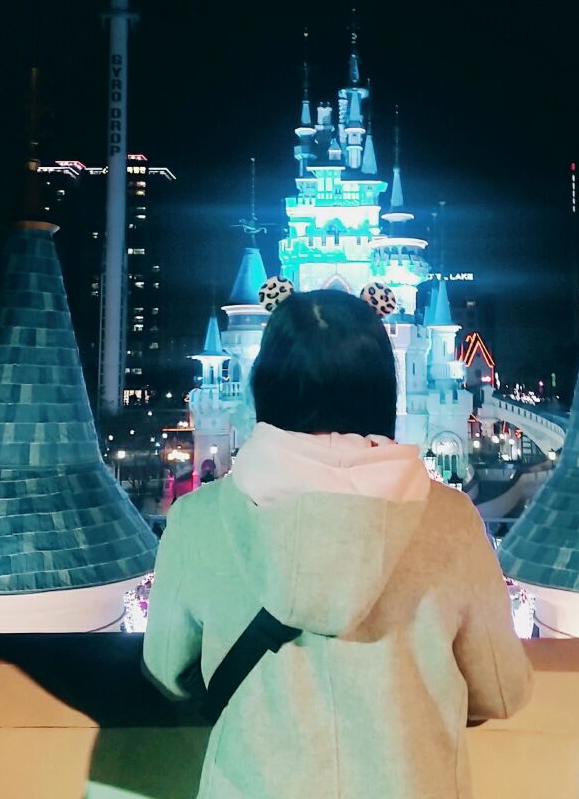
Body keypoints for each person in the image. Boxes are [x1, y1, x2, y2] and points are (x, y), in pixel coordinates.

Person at [143, 288, 532, 799]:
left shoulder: (198, 520)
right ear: (383, 387)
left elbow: (167, 670)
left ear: (265, 384)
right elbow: (500, 690)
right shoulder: (451, 522)